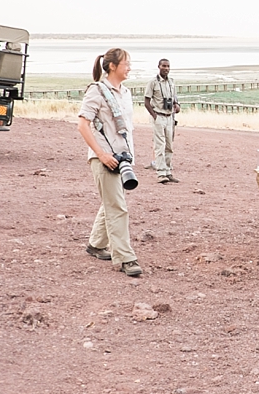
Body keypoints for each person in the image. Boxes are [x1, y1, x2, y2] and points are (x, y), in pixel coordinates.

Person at [77, 48, 142, 277]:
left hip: (122, 157)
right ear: (112, 66)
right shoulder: (96, 91)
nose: (130, 67)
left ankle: (95, 245)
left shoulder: (125, 93)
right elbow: (83, 125)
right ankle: (125, 258)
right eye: (126, 63)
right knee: (117, 207)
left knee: (112, 201)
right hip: (104, 158)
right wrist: (102, 154)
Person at [144, 58, 181, 184]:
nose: (166, 68)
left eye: (168, 66)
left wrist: (177, 105)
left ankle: (168, 171)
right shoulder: (153, 82)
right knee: (160, 145)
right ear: (159, 67)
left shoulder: (171, 82)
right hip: (159, 116)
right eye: (164, 66)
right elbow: (147, 101)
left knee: (169, 146)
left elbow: (174, 98)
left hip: (169, 117)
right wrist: (154, 116)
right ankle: (161, 173)